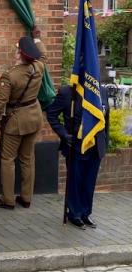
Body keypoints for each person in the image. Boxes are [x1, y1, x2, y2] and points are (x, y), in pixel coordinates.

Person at [0, 36, 46, 210]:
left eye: (16, 50)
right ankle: (26, 198)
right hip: (34, 117)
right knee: (28, 159)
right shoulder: (39, 67)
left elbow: (0, 102)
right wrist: (36, 38)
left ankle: (8, 200)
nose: (14, 52)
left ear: (19, 54)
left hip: (16, 121)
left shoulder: (10, 75)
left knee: (7, 160)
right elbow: (43, 55)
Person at [46, 85, 109, 229]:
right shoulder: (68, 92)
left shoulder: (101, 91)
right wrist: (64, 134)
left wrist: (105, 142)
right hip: (76, 145)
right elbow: (52, 114)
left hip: (95, 145)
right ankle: (74, 213)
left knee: (89, 182)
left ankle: (86, 213)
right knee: (75, 181)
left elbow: (105, 119)